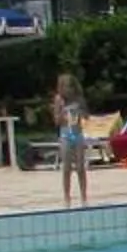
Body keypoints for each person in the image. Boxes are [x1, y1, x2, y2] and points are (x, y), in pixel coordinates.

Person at [52, 70, 91, 208]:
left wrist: (80, 113)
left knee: (80, 168)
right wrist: (63, 114)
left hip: (78, 133)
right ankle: (67, 198)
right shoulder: (59, 100)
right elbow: (56, 121)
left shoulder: (79, 99)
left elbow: (87, 116)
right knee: (66, 168)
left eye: (70, 87)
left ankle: (84, 197)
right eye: (65, 87)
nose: (68, 90)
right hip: (65, 135)